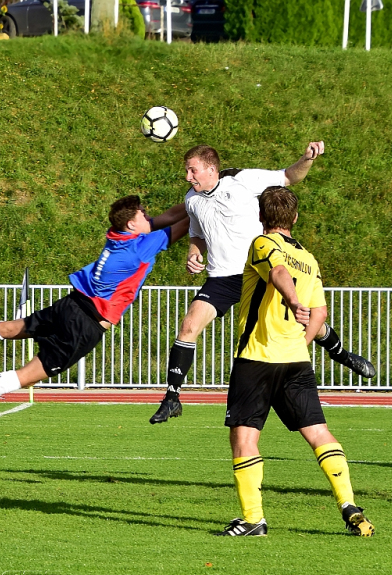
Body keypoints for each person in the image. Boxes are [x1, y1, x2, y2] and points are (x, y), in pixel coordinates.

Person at [149, 142, 375, 425]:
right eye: (186, 171)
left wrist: (306, 159)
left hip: (256, 274)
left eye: (192, 171)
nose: (188, 177)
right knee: (189, 326)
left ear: (211, 169)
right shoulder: (192, 200)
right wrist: (194, 253)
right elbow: (197, 235)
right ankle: (172, 399)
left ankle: (341, 353)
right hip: (221, 278)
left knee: (302, 321)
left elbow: (289, 177)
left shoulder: (243, 181)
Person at [0, 195, 189, 415]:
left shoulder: (117, 235)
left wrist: (196, 196)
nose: (149, 216)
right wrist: (212, 196)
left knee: (12, 328)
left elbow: (169, 216)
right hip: (85, 324)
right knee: (27, 374)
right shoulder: (142, 247)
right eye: (144, 214)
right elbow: (185, 222)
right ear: (132, 223)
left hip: (70, 304)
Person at [217, 186, 374, 537]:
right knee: (319, 433)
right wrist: (300, 342)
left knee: (244, 439)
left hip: (257, 358)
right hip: (295, 361)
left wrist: (290, 299)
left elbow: (277, 273)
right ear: (296, 218)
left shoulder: (263, 243)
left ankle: (254, 519)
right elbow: (320, 312)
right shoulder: (309, 258)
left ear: (262, 217)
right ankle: (350, 506)